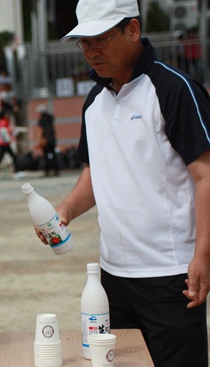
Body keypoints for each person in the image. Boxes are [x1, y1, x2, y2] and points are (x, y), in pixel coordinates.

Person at [43, 1, 210, 366]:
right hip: (112, 277)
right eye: (83, 43)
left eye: (100, 39)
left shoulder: (174, 90)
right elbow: (94, 175)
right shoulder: (94, 103)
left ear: (132, 30)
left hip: (171, 274)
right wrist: (65, 211)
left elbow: (205, 174)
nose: (91, 51)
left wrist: (202, 253)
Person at [34, 104, 59, 177]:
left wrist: (39, 140)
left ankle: (47, 170)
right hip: (52, 138)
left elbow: (40, 130)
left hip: (45, 139)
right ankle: (55, 170)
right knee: (53, 154)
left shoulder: (41, 120)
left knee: (45, 155)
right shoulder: (50, 118)